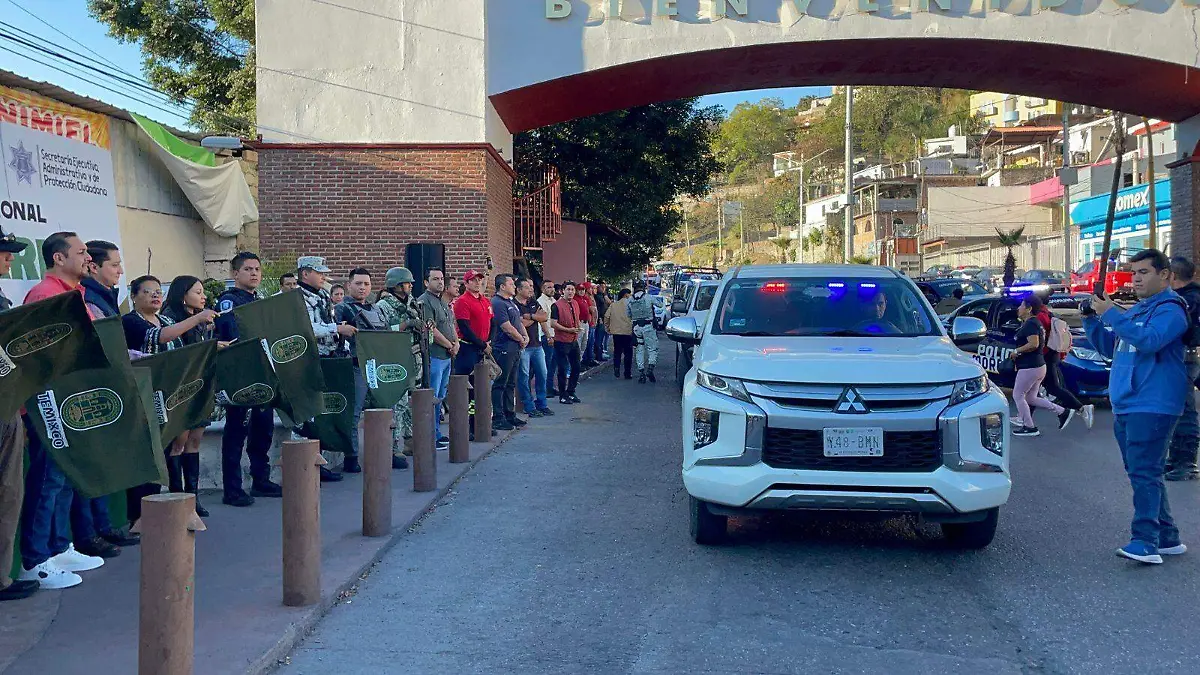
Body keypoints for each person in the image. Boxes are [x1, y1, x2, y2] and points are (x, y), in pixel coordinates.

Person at [1084, 249, 1190, 564]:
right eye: (1134, 273)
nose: (1137, 278)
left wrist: (1112, 314)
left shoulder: (1171, 310)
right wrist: (1092, 319)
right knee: (1142, 471)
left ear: (1166, 275)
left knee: (1145, 470)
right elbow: (1110, 347)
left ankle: (1145, 541)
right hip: (1128, 404)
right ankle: (1167, 537)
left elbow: (1150, 341)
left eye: (1144, 272)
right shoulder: (1138, 311)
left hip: (1154, 404)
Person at [19, 232, 106, 590]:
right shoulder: (44, 295)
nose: (89, 258)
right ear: (58, 258)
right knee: (46, 481)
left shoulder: (79, 296)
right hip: (47, 403)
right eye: (82, 252)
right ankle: (35, 561)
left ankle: (58, 547)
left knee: (65, 477)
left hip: (73, 401)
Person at [71, 240, 140, 558]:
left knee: (103, 464)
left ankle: (104, 526)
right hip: (85, 390)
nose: (121, 271)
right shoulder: (84, 298)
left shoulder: (102, 297)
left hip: (106, 387)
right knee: (85, 470)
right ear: (94, 267)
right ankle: (86, 535)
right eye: (115, 265)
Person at [215, 252, 283, 507]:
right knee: (236, 432)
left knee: (262, 429)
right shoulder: (228, 301)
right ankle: (232, 488)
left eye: (257, 269)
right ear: (235, 274)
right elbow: (233, 334)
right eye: (248, 269)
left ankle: (260, 480)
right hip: (241, 375)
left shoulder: (259, 300)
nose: (254, 273)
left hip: (263, 373)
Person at [161, 276, 222, 517]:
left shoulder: (199, 321)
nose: (203, 296)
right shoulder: (170, 318)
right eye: (198, 292)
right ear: (182, 294)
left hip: (201, 386)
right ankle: (178, 498)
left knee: (194, 442)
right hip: (180, 389)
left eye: (203, 292)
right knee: (179, 442)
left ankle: (193, 497)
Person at [0, 227, 39, 600]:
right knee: (8, 492)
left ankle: (2, 578)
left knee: (10, 492)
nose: (9, 258)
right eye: (4, 252)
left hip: (8, 403)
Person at [296, 255, 356, 481]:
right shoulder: (297, 298)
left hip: (329, 357)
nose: (323, 276)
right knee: (309, 415)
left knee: (323, 412)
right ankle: (305, 468)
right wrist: (336, 329)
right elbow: (305, 328)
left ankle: (317, 464)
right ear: (305, 273)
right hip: (308, 360)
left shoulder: (322, 295)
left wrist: (340, 338)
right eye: (318, 272)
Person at [335, 267, 386, 472]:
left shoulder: (375, 309)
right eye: (358, 283)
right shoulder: (342, 309)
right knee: (354, 412)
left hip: (373, 364)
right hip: (353, 364)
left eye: (366, 284)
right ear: (349, 285)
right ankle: (351, 456)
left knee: (380, 409)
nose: (362, 288)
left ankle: (382, 451)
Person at [375, 267, 424, 468]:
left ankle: (411, 441)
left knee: (414, 401)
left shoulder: (412, 303)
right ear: (396, 285)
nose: (411, 286)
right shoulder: (383, 306)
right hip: (395, 357)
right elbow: (382, 331)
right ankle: (393, 447)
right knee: (399, 403)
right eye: (407, 283)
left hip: (414, 355)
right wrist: (406, 324)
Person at [1008, 296, 1066, 438]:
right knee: (1031, 398)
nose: (1018, 308)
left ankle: (1029, 426)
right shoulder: (1034, 323)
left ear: (1029, 309)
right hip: (1038, 365)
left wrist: (1017, 351)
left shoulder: (1031, 324)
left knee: (1018, 395)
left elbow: (1033, 343)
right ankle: (1061, 411)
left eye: (1021, 305)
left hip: (1030, 366)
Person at [1034, 299, 1093, 431]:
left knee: (1051, 387)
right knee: (1033, 388)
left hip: (1045, 357)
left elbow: (1040, 340)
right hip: (1051, 355)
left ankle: (1080, 408)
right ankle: (1026, 420)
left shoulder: (1039, 318)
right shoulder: (1048, 314)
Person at [1166, 256, 1200, 481]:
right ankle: (1176, 457)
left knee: (1185, 411)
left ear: (1173, 276)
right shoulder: (1186, 297)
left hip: (1186, 358)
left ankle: (1187, 462)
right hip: (1183, 357)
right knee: (1177, 409)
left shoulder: (1189, 299)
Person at [417, 268, 458, 449]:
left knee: (440, 397)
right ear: (426, 282)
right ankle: (431, 435)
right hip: (435, 355)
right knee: (432, 397)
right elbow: (430, 328)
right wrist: (449, 345)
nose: (440, 282)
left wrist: (456, 343)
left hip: (447, 356)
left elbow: (450, 325)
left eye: (441, 279)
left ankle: (437, 432)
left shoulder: (442, 302)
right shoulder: (425, 301)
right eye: (435, 279)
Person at [453, 270, 493, 440]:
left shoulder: (485, 301)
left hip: (482, 348)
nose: (477, 283)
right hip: (468, 349)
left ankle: (480, 424)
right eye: (473, 280)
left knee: (481, 389)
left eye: (479, 280)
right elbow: (465, 328)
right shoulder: (462, 301)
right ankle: (468, 427)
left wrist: (489, 341)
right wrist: (482, 344)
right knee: (468, 390)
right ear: (466, 283)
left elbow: (493, 322)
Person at [490, 274, 529, 432]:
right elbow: (506, 326)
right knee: (501, 383)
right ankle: (498, 417)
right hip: (504, 348)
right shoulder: (498, 303)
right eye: (511, 284)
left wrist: (524, 336)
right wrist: (520, 338)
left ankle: (509, 414)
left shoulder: (510, 302)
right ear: (502, 287)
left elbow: (517, 322)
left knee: (511, 383)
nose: (514, 286)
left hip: (515, 348)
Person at [516, 278, 553, 418]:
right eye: (527, 287)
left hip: (537, 345)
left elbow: (544, 317)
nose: (531, 289)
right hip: (523, 346)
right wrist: (535, 317)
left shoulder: (533, 302)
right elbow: (520, 324)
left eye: (531, 286)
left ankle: (542, 404)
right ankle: (528, 406)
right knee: (524, 376)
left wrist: (531, 316)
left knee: (542, 374)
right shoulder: (514, 304)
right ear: (519, 289)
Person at [550, 281, 585, 404]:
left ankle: (571, 391)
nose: (571, 292)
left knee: (576, 367)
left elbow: (576, 318)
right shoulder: (556, 305)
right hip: (561, 341)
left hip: (574, 340)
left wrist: (577, 327)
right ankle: (563, 395)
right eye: (568, 289)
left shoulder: (575, 303)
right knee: (563, 369)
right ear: (562, 291)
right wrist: (568, 330)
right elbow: (553, 323)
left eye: (572, 289)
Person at [627, 280, 659, 383]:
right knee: (652, 348)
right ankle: (650, 368)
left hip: (636, 327)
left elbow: (628, 315)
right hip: (648, 326)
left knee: (639, 349)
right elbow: (660, 304)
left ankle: (641, 373)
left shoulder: (630, 300)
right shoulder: (648, 297)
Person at [605, 288, 634, 380]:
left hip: (616, 332)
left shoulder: (613, 305)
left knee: (617, 351)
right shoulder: (631, 305)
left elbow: (606, 316)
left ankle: (616, 367)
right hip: (628, 332)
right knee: (628, 353)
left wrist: (608, 327)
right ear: (626, 295)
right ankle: (627, 373)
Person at [538, 280, 559, 396]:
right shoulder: (541, 301)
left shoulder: (553, 301)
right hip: (547, 336)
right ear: (543, 289)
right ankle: (545, 389)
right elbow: (543, 320)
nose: (552, 289)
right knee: (546, 363)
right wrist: (548, 336)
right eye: (548, 287)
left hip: (555, 335)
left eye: (552, 287)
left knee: (553, 364)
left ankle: (550, 387)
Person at [574, 282, 593, 368]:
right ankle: (576, 364)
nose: (581, 291)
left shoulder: (584, 299)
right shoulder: (575, 299)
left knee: (584, 343)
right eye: (580, 290)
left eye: (583, 290)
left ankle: (580, 362)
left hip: (586, 323)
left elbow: (590, 309)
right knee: (578, 343)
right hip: (580, 323)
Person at [591, 282, 610, 363]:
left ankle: (600, 353)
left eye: (604, 287)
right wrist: (599, 318)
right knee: (598, 338)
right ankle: (598, 355)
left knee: (601, 337)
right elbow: (597, 309)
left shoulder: (601, 295)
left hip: (603, 318)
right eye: (601, 287)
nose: (603, 289)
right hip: (600, 319)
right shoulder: (597, 297)